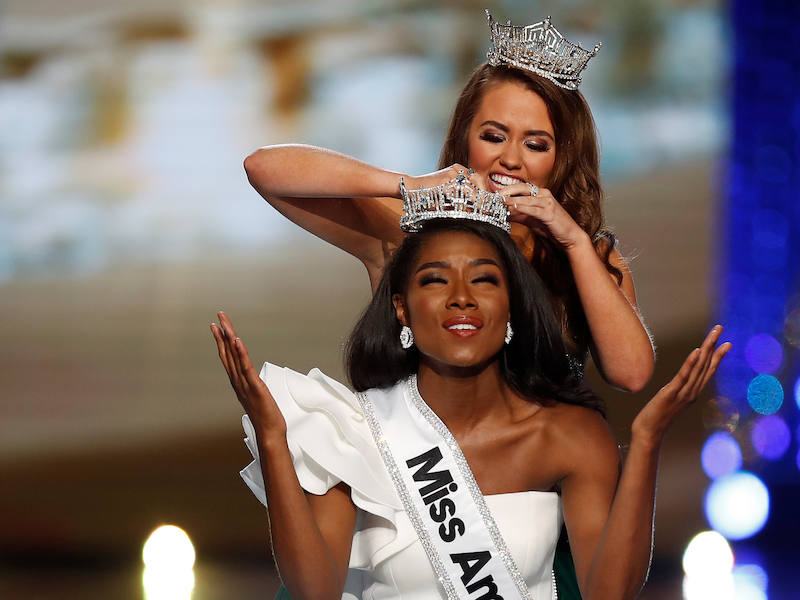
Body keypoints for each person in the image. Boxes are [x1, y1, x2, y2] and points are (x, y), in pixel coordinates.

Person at [211, 217, 730, 599]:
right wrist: (275, 440)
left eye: (484, 279)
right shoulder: (354, 428)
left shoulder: (567, 435)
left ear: (510, 307)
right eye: (435, 280)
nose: (461, 297)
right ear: (401, 307)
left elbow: (606, 595)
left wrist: (646, 442)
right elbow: (313, 591)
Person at [241, 13, 655, 393]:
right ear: (464, 137)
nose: (510, 159)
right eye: (493, 136)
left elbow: (632, 374)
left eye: (535, 144)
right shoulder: (411, 231)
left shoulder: (590, 255)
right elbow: (265, 168)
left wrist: (575, 243)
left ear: (562, 156)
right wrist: (410, 185)